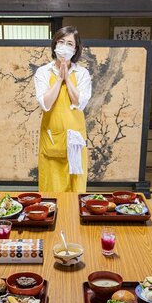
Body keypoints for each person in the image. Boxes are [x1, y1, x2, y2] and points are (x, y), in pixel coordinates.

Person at [33, 25, 92, 192]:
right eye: (61, 42)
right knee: (52, 188)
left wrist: (68, 79)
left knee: (76, 187)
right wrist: (59, 79)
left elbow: (80, 102)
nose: (64, 47)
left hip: (75, 140)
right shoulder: (43, 72)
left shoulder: (82, 74)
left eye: (69, 44)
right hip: (52, 138)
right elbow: (45, 103)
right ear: (55, 45)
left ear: (76, 49)